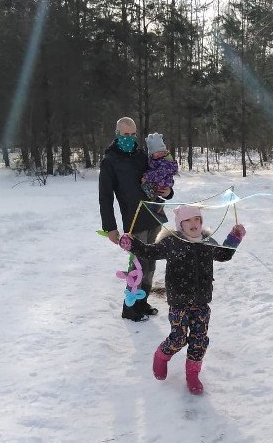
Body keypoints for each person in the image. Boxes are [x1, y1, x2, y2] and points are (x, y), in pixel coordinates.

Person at [119, 205, 246, 395]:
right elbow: (150, 252)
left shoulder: (207, 241)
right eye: (189, 220)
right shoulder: (172, 242)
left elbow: (223, 254)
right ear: (180, 225)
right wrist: (132, 244)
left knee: (199, 340)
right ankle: (161, 355)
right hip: (179, 300)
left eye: (197, 219)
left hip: (202, 300)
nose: (194, 223)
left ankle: (193, 374)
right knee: (178, 338)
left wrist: (234, 238)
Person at [99, 117, 173, 322]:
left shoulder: (141, 156)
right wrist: (110, 228)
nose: (129, 139)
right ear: (117, 134)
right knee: (138, 264)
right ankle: (130, 307)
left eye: (133, 135)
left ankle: (142, 301)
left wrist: (167, 192)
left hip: (154, 213)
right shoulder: (109, 161)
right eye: (125, 135)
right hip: (133, 220)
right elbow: (105, 197)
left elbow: (158, 177)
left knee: (151, 262)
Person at [142, 133, 178, 215]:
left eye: (162, 151)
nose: (160, 153)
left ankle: (157, 205)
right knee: (149, 191)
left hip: (164, 182)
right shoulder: (152, 161)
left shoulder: (164, 161)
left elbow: (159, 173)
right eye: (157, 152)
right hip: (158, 182)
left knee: (149, 191)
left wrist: (147, 177)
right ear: (151, 153)